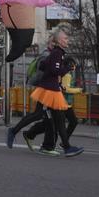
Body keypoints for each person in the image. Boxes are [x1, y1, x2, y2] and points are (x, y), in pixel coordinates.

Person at [23, 27, 84, 157]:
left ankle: (59, 145)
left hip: (54, 92)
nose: (53, 45)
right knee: (50, 120)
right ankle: (48, 144)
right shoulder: (51, 54)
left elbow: (49, 69)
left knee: (56, 120)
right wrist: (65, 70)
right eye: (52, 43)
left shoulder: (56, 55)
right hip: (49, 92)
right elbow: (50, 72)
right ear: (55, 42)